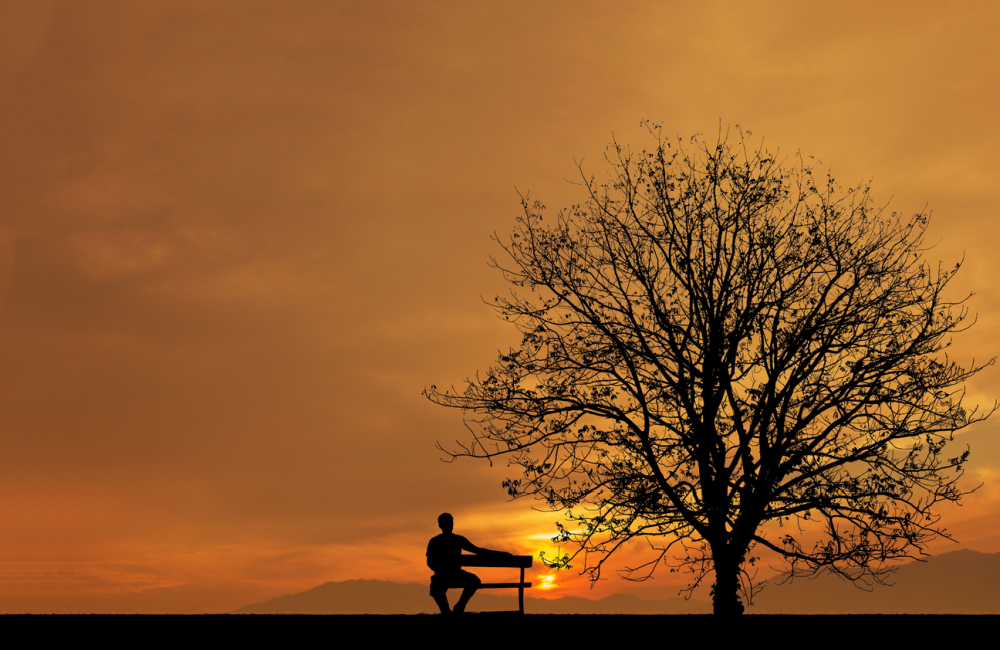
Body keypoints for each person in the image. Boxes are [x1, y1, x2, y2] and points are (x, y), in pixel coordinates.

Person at [427, 512, 511, 614]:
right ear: (441, 525)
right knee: (472, 581)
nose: (450, 525)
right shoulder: (452, 540)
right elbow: (478, 551)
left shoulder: (437, 541)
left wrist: (500, 554)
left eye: (451, 522)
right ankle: (452, 609)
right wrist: (500, 554)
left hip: (446, 576)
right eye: (449, 523)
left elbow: (430, 563)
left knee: (471, 581)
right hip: (451, 576)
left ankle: (454, 609)